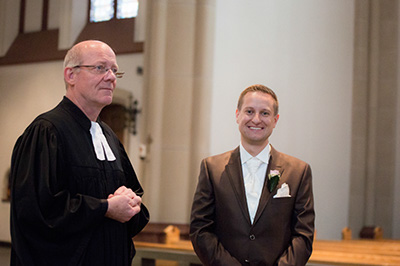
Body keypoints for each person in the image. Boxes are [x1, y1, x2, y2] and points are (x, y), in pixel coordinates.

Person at [10, 40, 149, 266]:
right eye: (100, 68)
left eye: (114, 70)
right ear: (70, 75)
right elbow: (36, 211)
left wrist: (132, 201)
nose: (111, 77)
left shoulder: (109, 137)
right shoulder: (47, 131)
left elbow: (134, 196)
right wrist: (105, 208)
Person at [190, 84, 315, 266]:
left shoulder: (298, 172)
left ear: (275, 120)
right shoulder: (212, 168)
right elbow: (200, 230)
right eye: (249, 111)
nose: (256, 119)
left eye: (264, 113)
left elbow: (303, 235)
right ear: (237, 115)